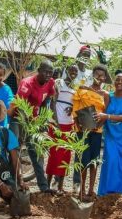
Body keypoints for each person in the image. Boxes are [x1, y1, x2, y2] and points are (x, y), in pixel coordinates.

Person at [13, 60, 56, 193]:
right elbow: (20, 106)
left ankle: (43, 187)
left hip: (34, 121)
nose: (48, 75)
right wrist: (27, 123)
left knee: (37, 153)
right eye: (45, 72)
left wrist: (42, 119)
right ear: (38, 70)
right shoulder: (27, 83)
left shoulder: (50, 83)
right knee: (15, 150)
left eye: (51, 72)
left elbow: (46, 100)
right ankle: (13, 183)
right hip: (18, 118)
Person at [71, 64, 110, 200]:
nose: (99, 77)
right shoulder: (82, 90)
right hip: (82, 130)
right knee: (83, 160)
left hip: (97, 131)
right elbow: (75, 108)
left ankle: (90, 190)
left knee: (94, 161)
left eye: (102, 75)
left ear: (105, 78)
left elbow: (105, 113)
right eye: (97, 74)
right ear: (92, 75)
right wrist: (78, 124)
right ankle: (81, 190)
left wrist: (97, 125)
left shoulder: (105, 94)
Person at [46, 64, 79, 193]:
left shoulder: (75, 87)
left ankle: (60, 186)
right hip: (56, 123)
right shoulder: (58, 83)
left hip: (69, 124)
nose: (73, 72)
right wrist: (56, 122)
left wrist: (72, 108)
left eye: (75, 71)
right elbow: (52, 103)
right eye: (71, 70)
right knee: (53, 154)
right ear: (66, 71)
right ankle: (47, 185)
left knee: (66, 156)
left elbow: (75, 104)